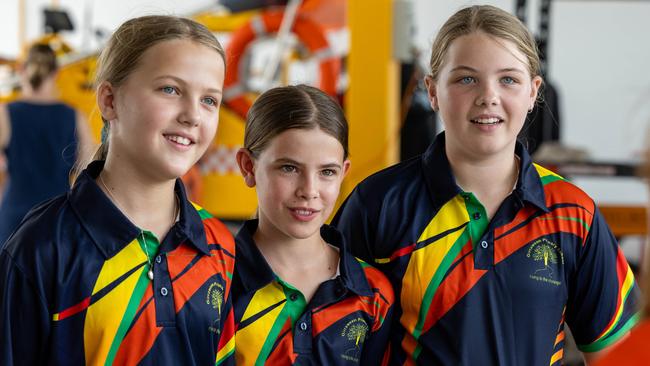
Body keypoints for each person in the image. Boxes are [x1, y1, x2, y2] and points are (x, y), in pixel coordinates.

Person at [333, 5, 640, 365]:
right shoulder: (377, 204)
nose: (488, 96)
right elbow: (331, 343)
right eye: (466, 79)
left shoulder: (573, 212)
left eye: (508, 79)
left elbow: (617, 355)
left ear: (532, 92)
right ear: (432, 91)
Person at [0, 15, 236, 365]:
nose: (192, 115)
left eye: (209, 100)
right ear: (109, 100)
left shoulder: (219, 245)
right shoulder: (41, 250)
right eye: (170, 89)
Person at [233, 84, 394, 365]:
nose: (309, 190)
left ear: (343, 172)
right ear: (249, 166)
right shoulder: (215, 281)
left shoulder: (372, 293)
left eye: (326, 172)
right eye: (289, 168)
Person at [0, 43, 93, 244]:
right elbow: (89, 173)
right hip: (60, 218)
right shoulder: (75, 116)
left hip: (14, 217)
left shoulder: (4, 113)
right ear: (57, 73)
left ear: (22, 70)